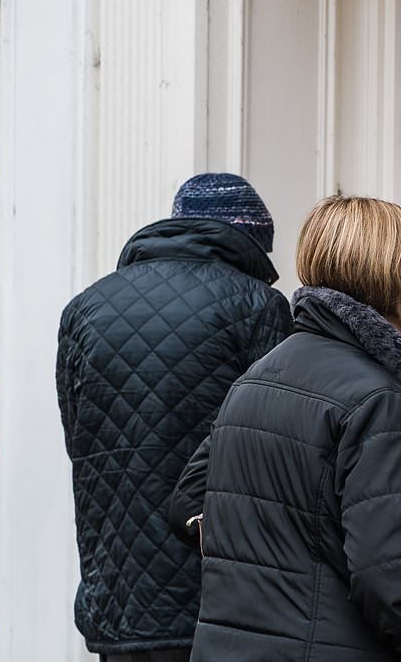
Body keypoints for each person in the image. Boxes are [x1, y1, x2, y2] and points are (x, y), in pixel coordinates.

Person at [170, 196, 401, 662]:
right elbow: (398, 585)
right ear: (386, 271)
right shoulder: (378, 399)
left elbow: (190, 502)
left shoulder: (263, 373)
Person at [56, 173, 292, 661]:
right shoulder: (258, 306)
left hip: (116, 594)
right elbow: (275, 455)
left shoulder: (85, 309)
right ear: (249, 241)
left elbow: (76, 438)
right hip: (218, 596)